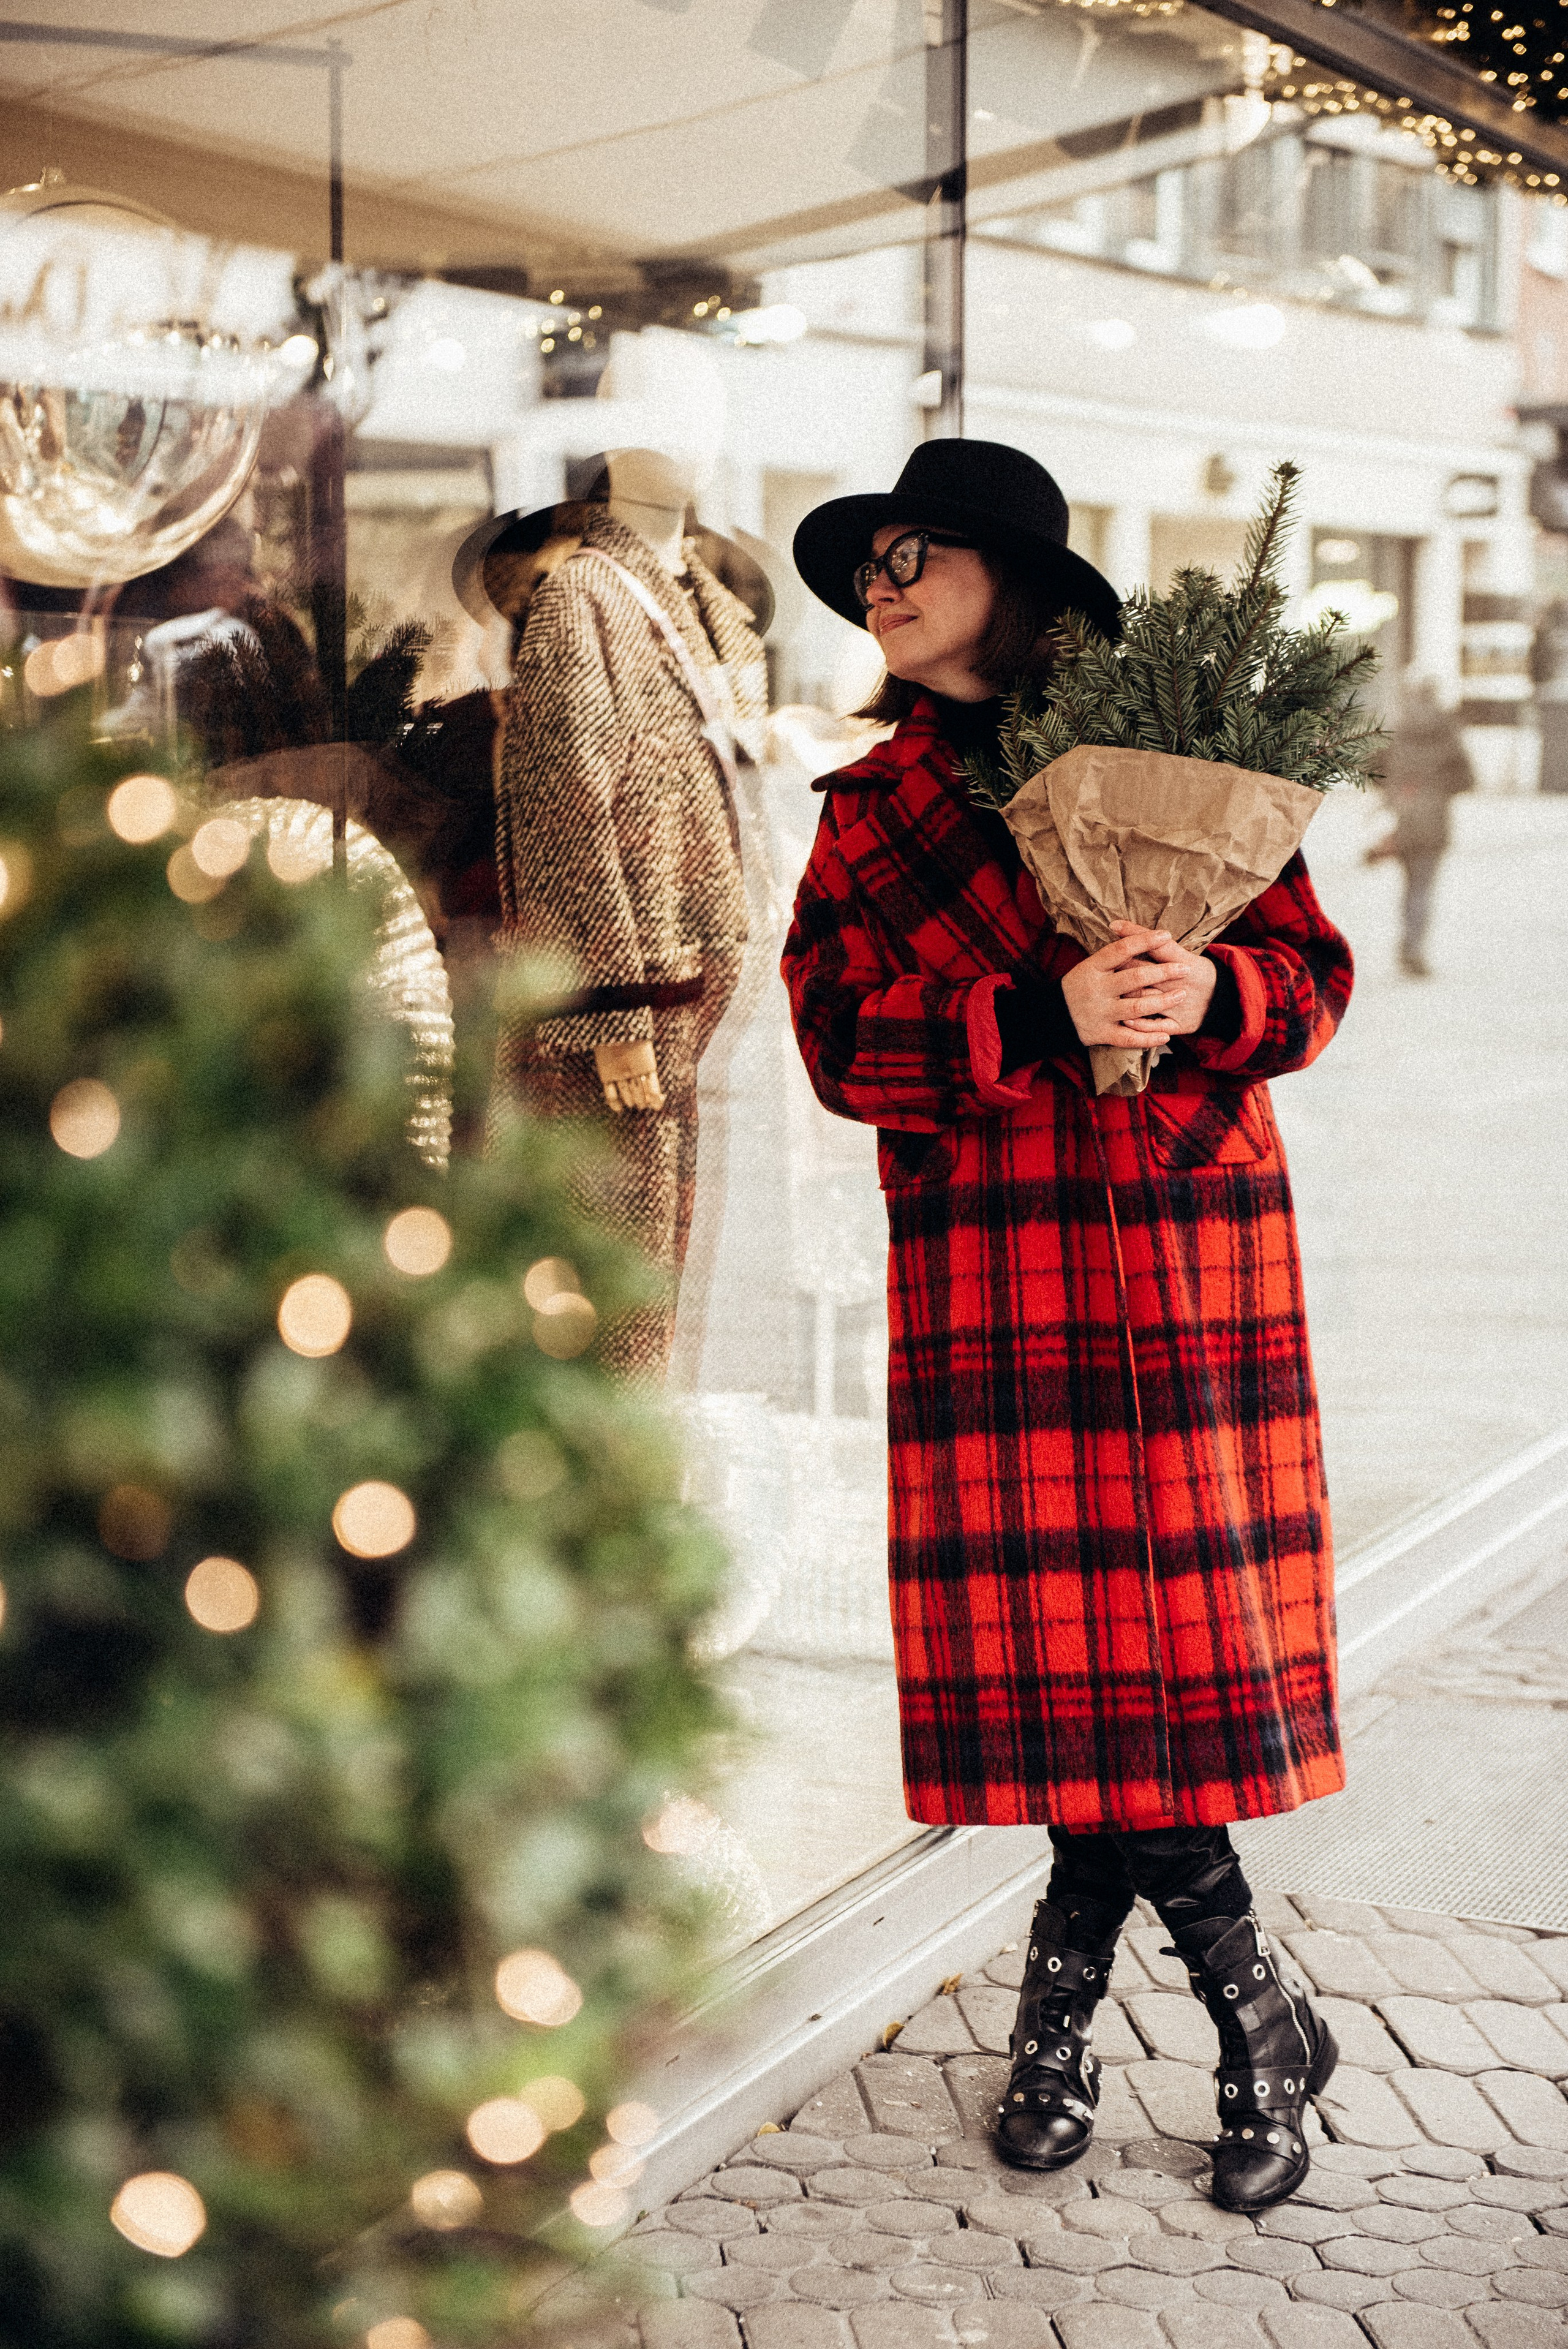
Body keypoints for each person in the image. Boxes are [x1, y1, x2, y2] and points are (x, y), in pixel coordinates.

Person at [782, 439, 1354, 2216]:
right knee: (1077, 1671)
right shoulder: (863, 814)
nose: (881, 578)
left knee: (1144, 1665)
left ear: (1016, 580)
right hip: (996, 1273)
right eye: (867, 560)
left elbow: (1314, 982)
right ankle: (1252, 2008)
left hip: (1188, 1254)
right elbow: (836, 1048)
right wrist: (1028, 1010)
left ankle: (1066, 2012)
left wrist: (1220, 985)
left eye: (914, 549)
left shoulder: (1177, 759)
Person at [1365, 673, 1473, 977]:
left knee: (1411, 884)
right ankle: (1413, 949)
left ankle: (1408, 947)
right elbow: (1467, 778)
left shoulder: (1396, 731)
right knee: (1422, 887)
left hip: (1405, 819)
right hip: (1434, 822)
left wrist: (1396, 790)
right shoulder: (1447, 731)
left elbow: (1372, 769)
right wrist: (1436, 788)